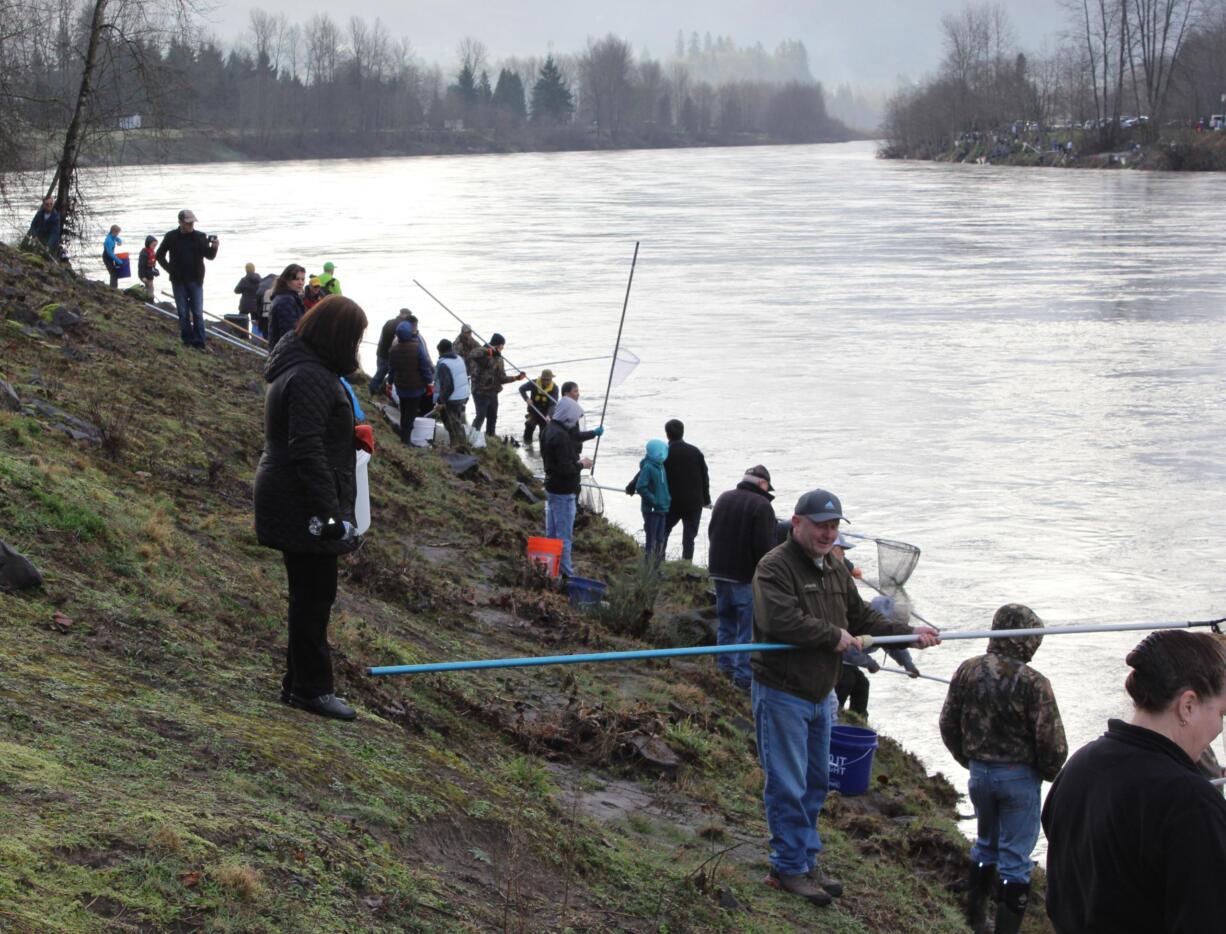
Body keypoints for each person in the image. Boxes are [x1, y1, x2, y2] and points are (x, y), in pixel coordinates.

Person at [751, 489, 939, 906]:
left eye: (834, 526)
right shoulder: (774, 567)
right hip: (782, 693)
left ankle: (804, 859)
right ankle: (787, 867)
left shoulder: (835, 569)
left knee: (816, 783)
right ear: (797, 523)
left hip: (823, 695)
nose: (828, 533)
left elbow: (862, 618)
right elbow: (779, 619)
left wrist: (908, 635)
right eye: (821, 525)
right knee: (787, 783)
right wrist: (831, 636)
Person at [1042, 630, 1226, 933]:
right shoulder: (1189, 801)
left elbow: (1062, 893)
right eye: (1221, 713)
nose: (1219, 727)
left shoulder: (1080, 766)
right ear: (1188, 705)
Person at [253, 295, 369, 722]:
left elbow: (311, 438)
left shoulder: (300, 370)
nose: (358, 345)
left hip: (291, 495)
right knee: (315, 597)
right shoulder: (310, 377)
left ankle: (297, 683)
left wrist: (350, 437)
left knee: (308, 594)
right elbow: (306, 449)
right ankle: (312, 690)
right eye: (356, 337)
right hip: (300, 502)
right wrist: (331, 515)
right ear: (339, 336)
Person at [940, 604, 1067, 934]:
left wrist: (967, 760)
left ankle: (975, 920)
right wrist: (1049, 772)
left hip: (979, 774)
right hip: (1018, 778)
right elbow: (1051, 740)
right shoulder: (1035, 683)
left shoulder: (967, 670)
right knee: (1016, 862)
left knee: (985, 845)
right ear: (1026, 640)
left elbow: (947, 722)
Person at [707, 465, 777, 691]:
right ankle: (743, 678)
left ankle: (723, 668)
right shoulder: (762, 505)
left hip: (719, 571)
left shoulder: (724, 497)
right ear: (762, 484)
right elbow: (764, 547)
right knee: (748, 629)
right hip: (745, 576)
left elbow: (711, 531)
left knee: (726, 623)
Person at [540, 396, 602, 577]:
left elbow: (571, 441)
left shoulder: (549, 429)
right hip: (564, 491)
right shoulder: (560, 437)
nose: (575, 422)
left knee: (551, 533)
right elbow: (565, 468)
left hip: (551, 487)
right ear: (568, 416)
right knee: (564, 537)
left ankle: (551, 571)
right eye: (574, 419)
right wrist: (582, 464)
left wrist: (592, 433)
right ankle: (567, 575)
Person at [835, 597, 922, 717]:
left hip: (849, 661)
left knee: (862, 685)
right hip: (837, 657)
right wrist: (870, 663)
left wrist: (908, 665)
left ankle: (858, 718)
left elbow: (893, 644)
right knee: (847, 680)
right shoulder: (869, 622)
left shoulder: (886, 629)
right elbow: (851, 651)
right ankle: (834, 713)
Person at [156, 209, 219, 349]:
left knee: (197, 312)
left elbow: (209, 256)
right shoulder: (171, 236)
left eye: (192, 223)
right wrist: (170, 269)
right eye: (188, 223)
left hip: (196, 280)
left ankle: (199, 341)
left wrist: (214, 247)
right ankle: (187, 340)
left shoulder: (200, 237)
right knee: (183, 312)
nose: (190, 225)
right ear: (180, 222)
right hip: (178, 280)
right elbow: (159, 255)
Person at [660, 420, 710, 561]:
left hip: (672, 502)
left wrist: (632, 487)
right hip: (695, 502)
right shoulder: (695, 452)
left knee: (663, 532)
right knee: (689, 537)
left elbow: (651, 472)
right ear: (683, 432)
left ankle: (659, 561)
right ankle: (687, 565)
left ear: (667, 434)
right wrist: (706, 500)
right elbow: (705, 476)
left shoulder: (664, 452)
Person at [468, 333, 525, 437]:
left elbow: (502, 378)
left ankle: (491, 436)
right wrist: (489, 351)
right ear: (499, 345)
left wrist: (516, 378)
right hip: (480, 391)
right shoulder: (482, 352)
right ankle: (472, 436)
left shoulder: (499, 359)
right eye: (502, 346)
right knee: (480, 415)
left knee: (493, 416)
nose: (503, 348)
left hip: (493, 392)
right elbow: (472, 353)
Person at [389, 319, 434, 444]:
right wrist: (430, 382)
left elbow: (391, 369)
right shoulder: (417, 348)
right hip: (416, 388)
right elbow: (424, 367)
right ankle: (406, 440)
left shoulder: (394, 349)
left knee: (404, 411)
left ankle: (404, 436)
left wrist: (389, 383)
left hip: (401, 387)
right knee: (411, 412)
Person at [634, 440, 671, 563]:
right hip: (652, 510)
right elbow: (640, 487)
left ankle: (657, 566)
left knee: (661, 538)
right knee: (652, 538)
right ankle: (649, 566)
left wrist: (667, 499)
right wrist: (653, 500)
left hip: (662, 508)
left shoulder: (661, 466)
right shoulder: (648, 467)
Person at [432, 338, 470, 448]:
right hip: (462, 395)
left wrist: (440, 401)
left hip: (451, 399)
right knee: (458, 423)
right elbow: (465, 377)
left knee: (452, 425)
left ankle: (458, 448)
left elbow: (448, 387)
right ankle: (462, 445)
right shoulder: (459, 358)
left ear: (440, 351)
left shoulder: (444, 364)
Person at [369, 308, 412, 398]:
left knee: (380, 373)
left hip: (381, 352)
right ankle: (374, 391)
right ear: (406, 315)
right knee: (391, 375)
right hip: (389, 355)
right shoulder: (402, 326)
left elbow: (381, 337)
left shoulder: (389, 322)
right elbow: (398, 341)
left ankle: (375, 391)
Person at [265, 264, 307, 350]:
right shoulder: (285, 300)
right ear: (287, 280)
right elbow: (288, 332)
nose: (301, 283)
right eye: (296, 279)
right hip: (285, 353)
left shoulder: (289, 296)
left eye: (303, 279)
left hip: (283, 351)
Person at [519, 369, 560, 444]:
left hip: (545, 414)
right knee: (529, 425)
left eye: (548, 380)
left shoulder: (554, 388)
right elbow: (521, 389)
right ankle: (527, 446)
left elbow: (553, 404)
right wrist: (527, 398)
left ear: (551, 379)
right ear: (541, 379)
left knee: (543, 434)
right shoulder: (534, 383)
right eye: (544, 380)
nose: (546, 382)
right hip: (533, 411)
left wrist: (549, 415)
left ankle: (542, 451)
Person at [137, 236, 159, 300]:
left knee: (150, 287)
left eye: (155, 245)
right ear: (148, 244)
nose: (155, 247)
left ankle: (148, 299)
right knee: (150, 287)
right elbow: (141, 266)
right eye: (153, 245)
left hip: (150, 274)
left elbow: (152, 265)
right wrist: (143, 276)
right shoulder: (144, 253)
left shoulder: (151, 252)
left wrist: (155, 271)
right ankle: (150, 300)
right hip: (145, 274)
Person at [102, 224, 123, 289]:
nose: (118, 234)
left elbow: (117, 239)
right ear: (113, 231)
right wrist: (118, 260)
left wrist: (119, 241)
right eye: (117, 233)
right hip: (107, 257)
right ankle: (113, 288)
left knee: (115, 273)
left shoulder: (112, 237)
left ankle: (114, 288)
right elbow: (110, 253)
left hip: (110, 258)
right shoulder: (108, 240)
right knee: (113, 273)